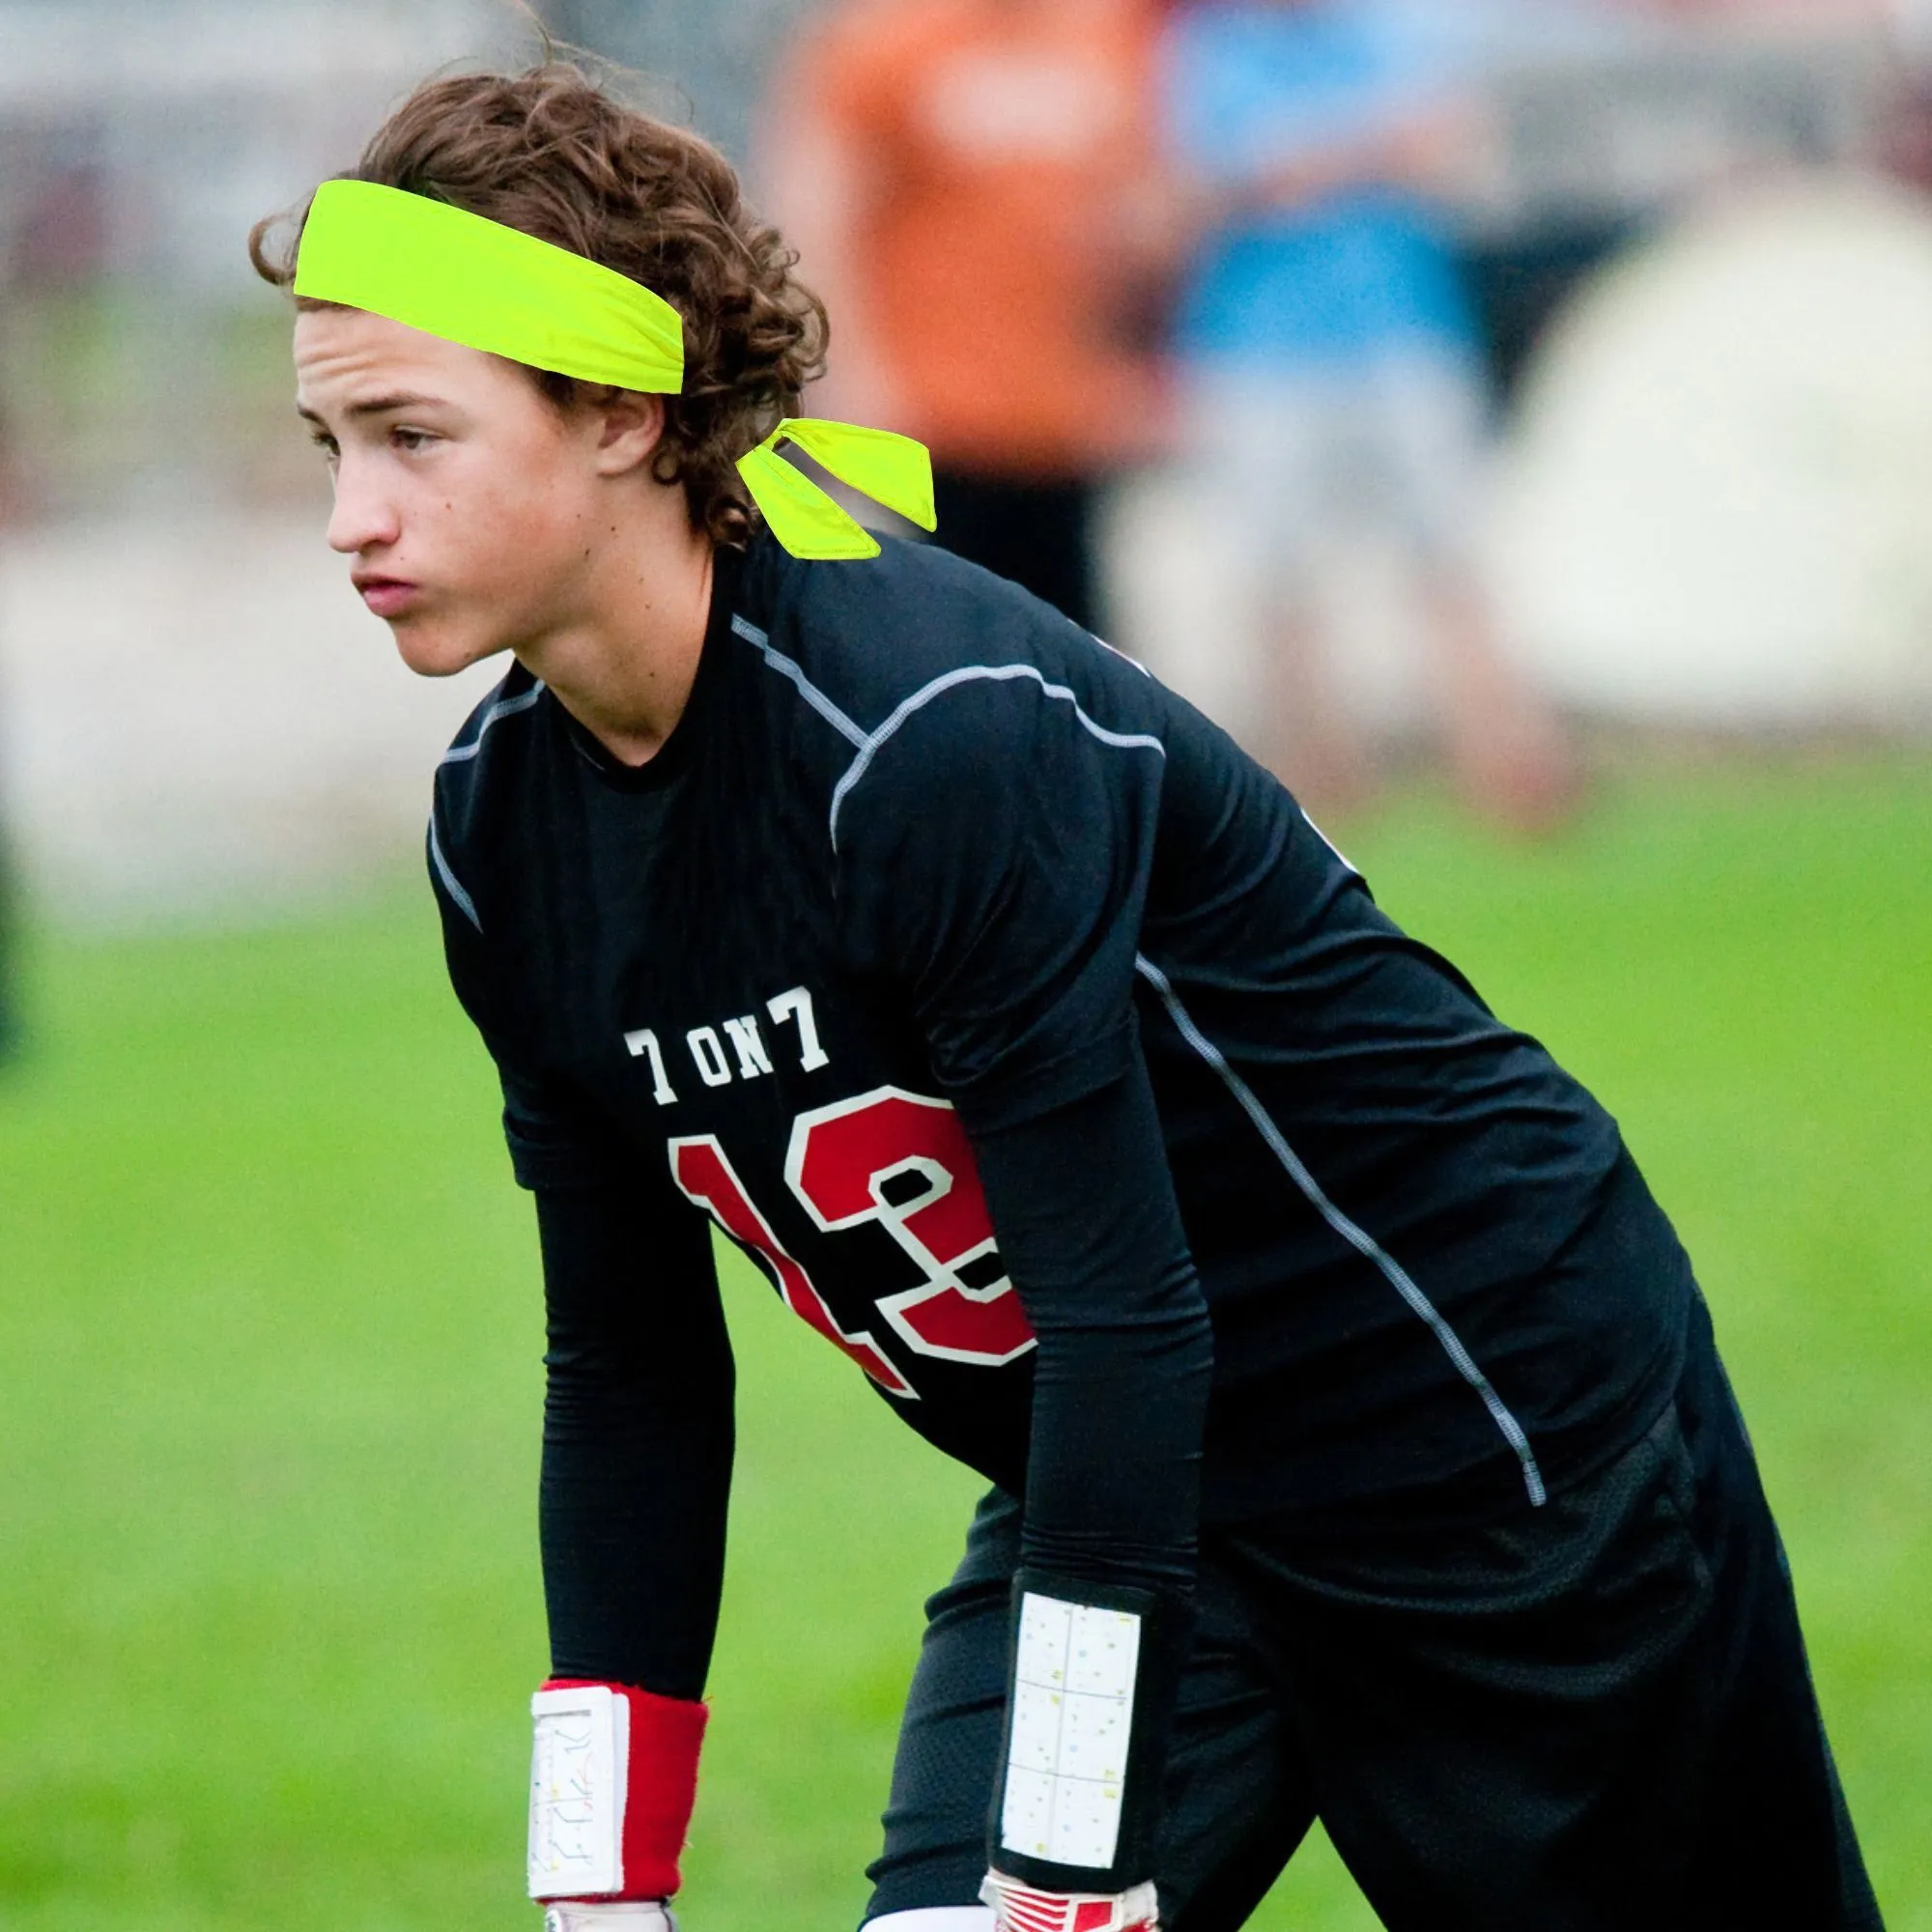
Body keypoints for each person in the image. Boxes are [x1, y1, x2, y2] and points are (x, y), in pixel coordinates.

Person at [252, 54, 1883, 1932]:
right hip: (1122, 1495)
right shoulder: (496, 826)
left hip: (1475, 1433)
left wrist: (1053, 1870)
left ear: (621, 410)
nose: (349, 517)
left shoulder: (922, 734)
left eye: (413, 436)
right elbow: (627, 1372)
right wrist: (595, 1891)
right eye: (332, 448)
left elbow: (1123, 1314)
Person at [1146, 0, 1577, 830]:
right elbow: (1203, 190)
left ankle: (1510, 771)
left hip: (1406, 332)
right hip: (1257, 349)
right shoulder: (1207, 52)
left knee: (1454, 560)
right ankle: (1318, 781)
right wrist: (1364, 151)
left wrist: (1302, 164)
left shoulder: (1396, 34)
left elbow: (1449, 155)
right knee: (1278, 579)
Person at [753, 0, 1174, 633]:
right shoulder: (890, 41)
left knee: (1073, 660)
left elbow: (1145, 206)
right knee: (946, 648)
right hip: (935, 424)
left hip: (1064, 428)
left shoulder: (1103, 35)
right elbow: (817, 215)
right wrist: (849, 373)